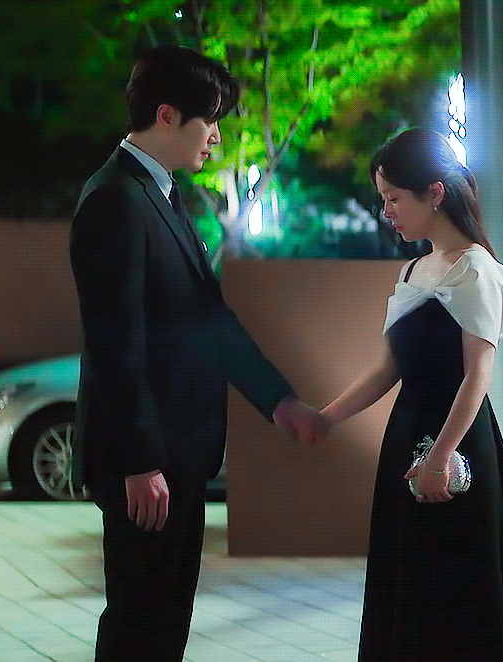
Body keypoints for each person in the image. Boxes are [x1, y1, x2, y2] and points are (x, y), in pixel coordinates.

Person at [68, 45, 321, 662]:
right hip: (146, 467)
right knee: (139, 625)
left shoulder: (160, 195)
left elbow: (210, 321)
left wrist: (277, 400)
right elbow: (114, 342)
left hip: (176, 458)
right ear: (166, 115)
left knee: (164, 622)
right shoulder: (115, 199)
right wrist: (139, 461)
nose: (216, 136)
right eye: (209, 120)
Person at [316, 128, 503, 661]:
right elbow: (387, 370)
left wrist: (441, 457)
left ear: (435, 193)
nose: (387, 212)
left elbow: (477, 376)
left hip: (459, 448)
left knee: (457, 593)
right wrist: (324, 417)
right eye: (383, 200)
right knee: (408, 586)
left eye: (394, 199)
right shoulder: (413, 271)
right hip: (406, 441)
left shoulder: (478, 271)